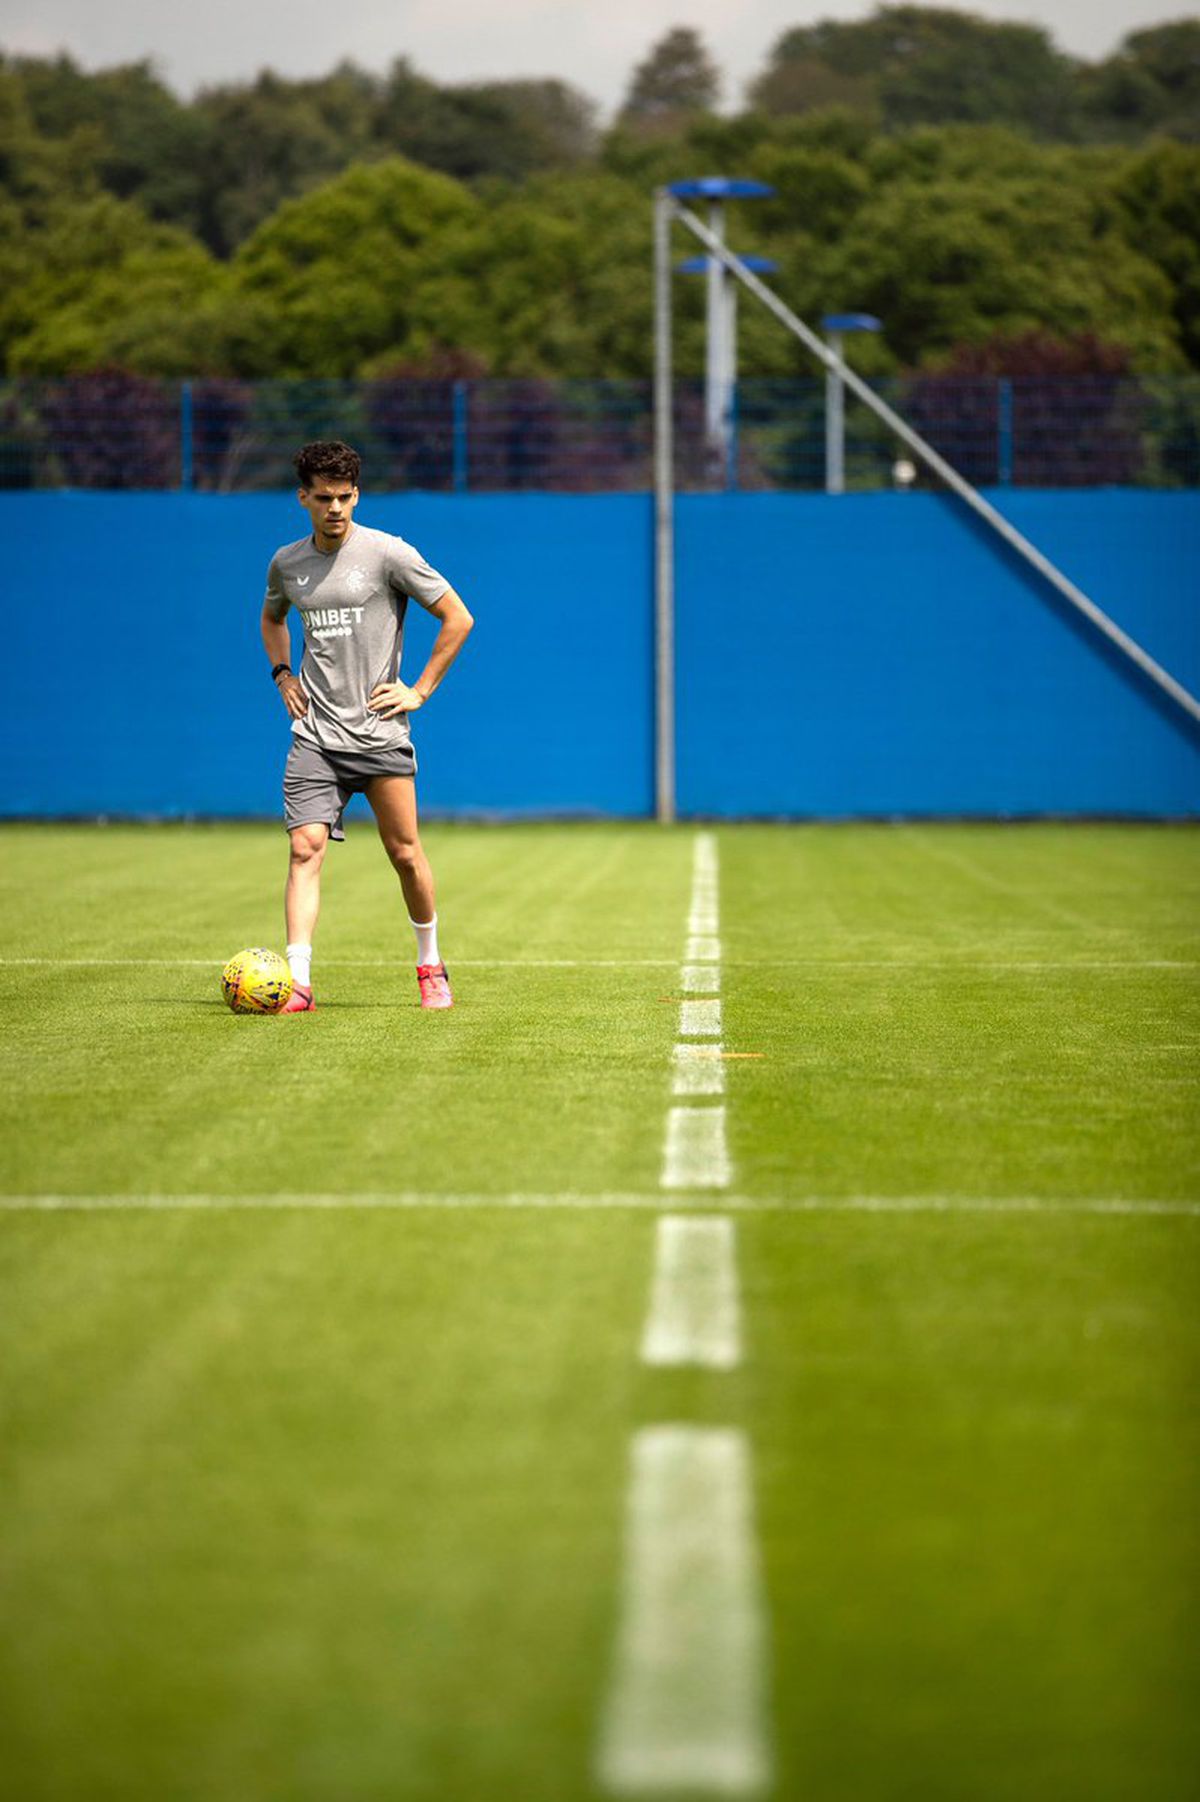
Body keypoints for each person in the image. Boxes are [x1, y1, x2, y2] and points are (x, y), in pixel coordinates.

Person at [260, 440, 474, 1012]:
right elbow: (271, 616)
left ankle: (430, 964)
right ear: (303, 497)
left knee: (405, 853)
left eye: (345, 497)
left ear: (358, 495)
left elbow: (458, 617)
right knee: (305, 849)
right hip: (315, 736)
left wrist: (419, 690)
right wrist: (282, 673)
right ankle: (297, 983)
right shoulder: (287, 563)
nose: (335, 508)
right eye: (324, 497)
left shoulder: (388, 554)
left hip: (380, 733)